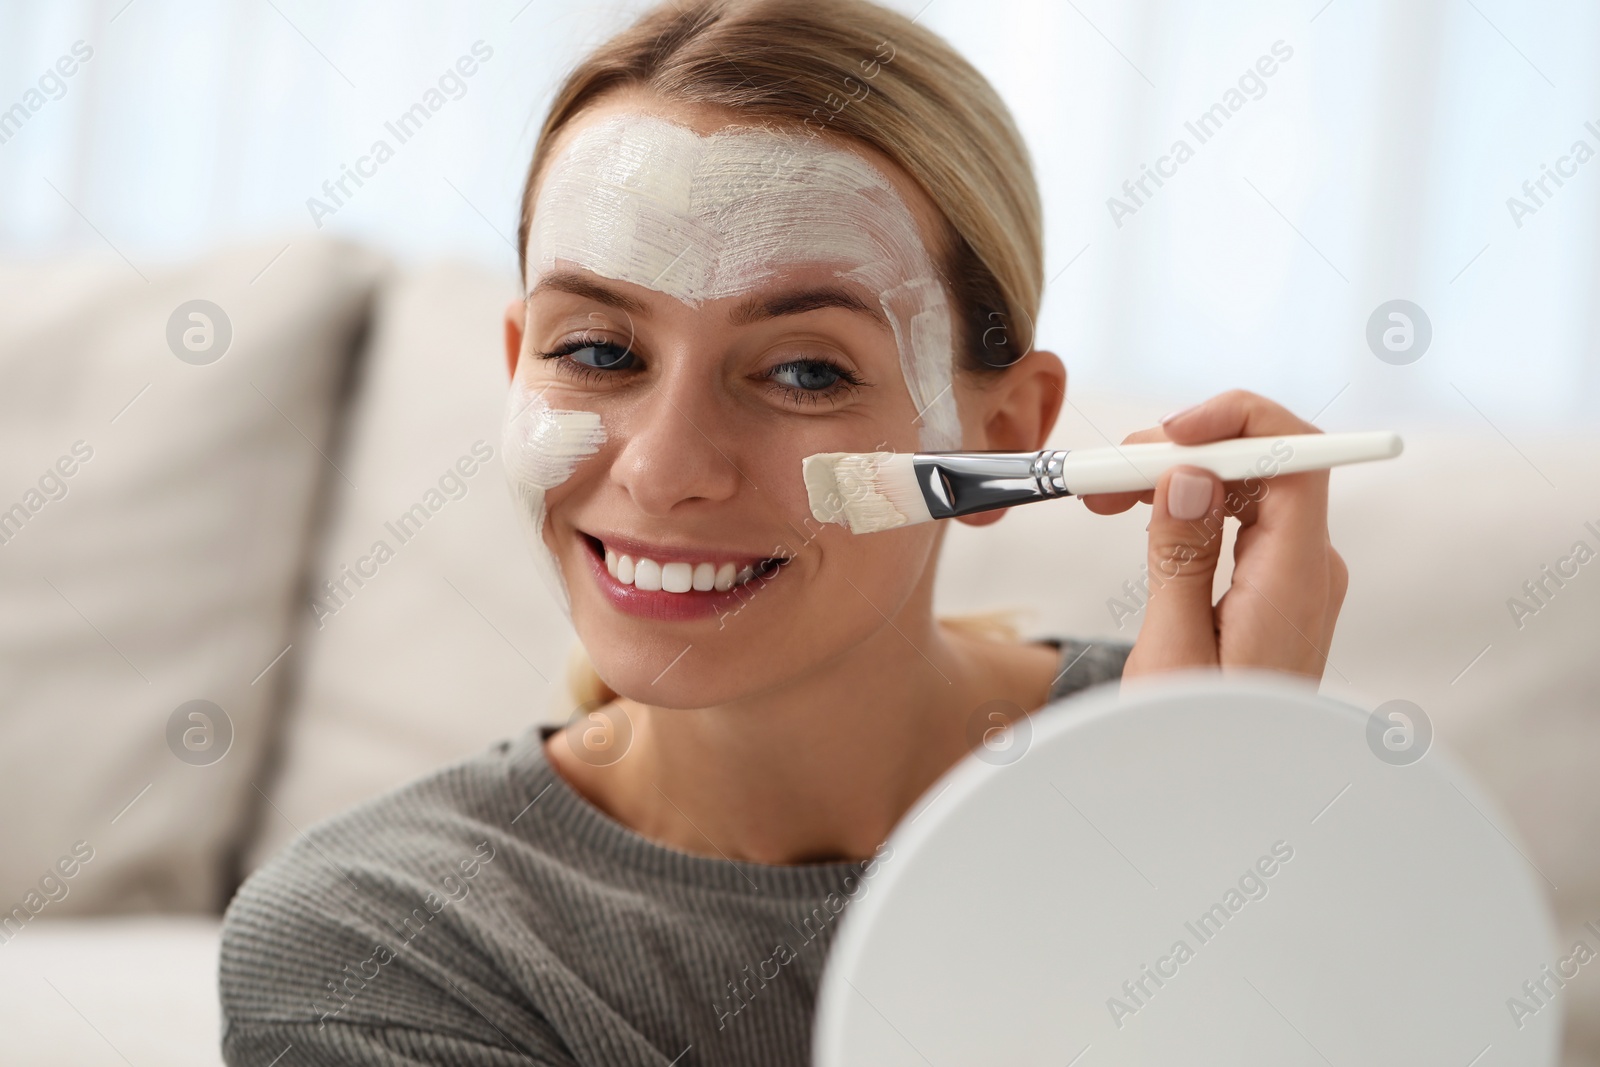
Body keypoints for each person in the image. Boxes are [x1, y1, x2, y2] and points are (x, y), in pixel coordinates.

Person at [218, 1, 1347, 1063]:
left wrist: (1220, 820)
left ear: (1002, 432)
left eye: (805, 369)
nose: (662, 470)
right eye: (598, 352)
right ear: (518, 366)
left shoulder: (1264, 769)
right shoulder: (383, 940)